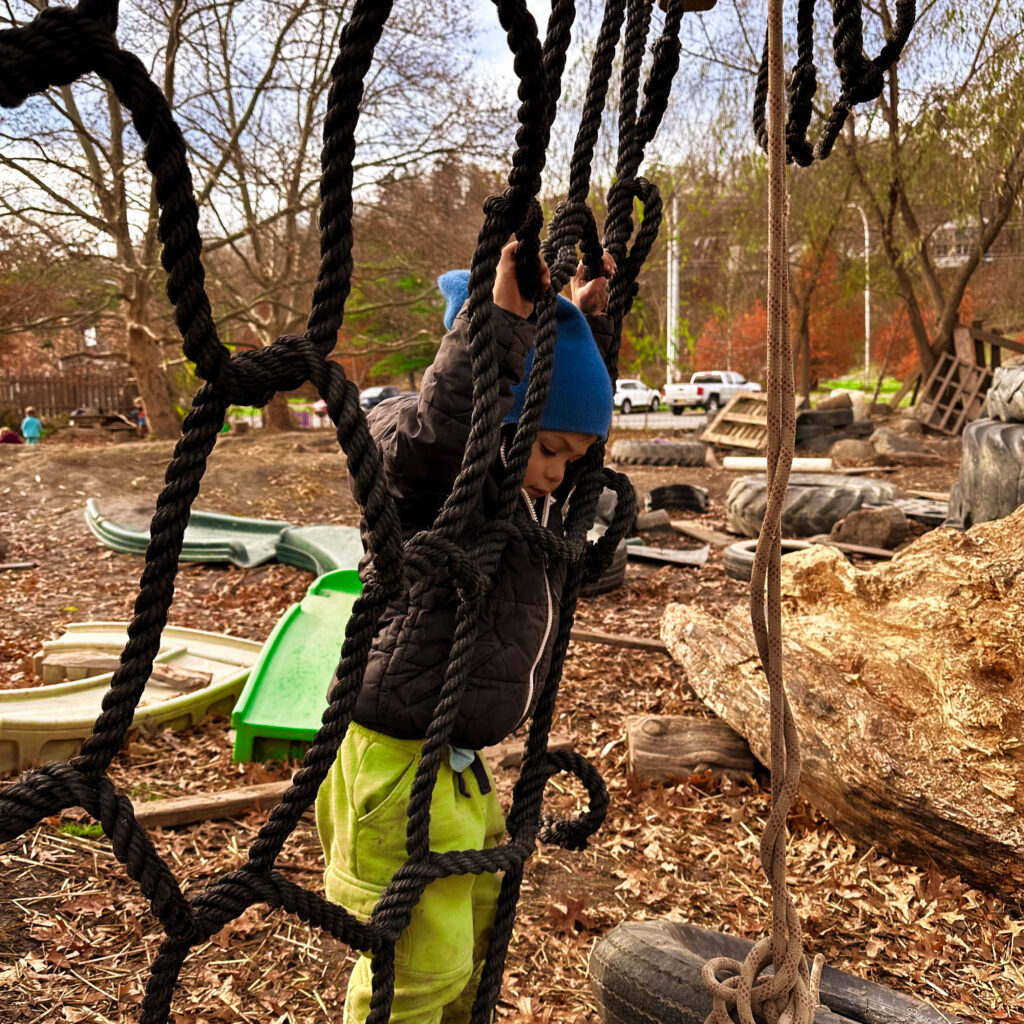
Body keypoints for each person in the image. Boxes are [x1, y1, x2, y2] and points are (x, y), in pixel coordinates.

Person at [316, 240, 616, 1024]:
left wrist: (577, 328)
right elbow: (425, 435)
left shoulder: (526, 501)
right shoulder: (436, 482)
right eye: (548, 450)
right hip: (398, 763)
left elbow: (565, 439)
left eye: (573, 457)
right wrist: (496, 335)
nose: (557, 473)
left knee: (474, 933)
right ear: (500, 421)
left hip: (458, 762)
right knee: (415, 962)